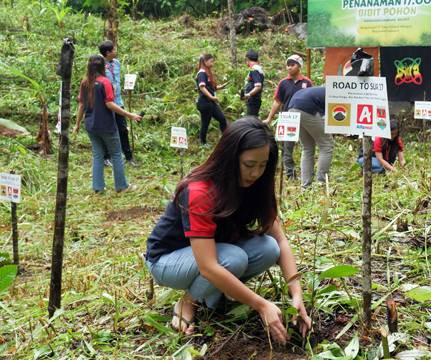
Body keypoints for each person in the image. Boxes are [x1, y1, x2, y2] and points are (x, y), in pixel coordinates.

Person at [145, 118, 311, 341]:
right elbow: (208, 266)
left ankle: (216, 295)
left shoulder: (255, 186)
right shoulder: (201, 191)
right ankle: (188, 302)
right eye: (249, 165)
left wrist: (297, 293)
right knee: (233, 259)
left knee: (268, 248)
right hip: (168, 260)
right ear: (230, 158)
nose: (256, 173)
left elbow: (280, 240)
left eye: (263, 166)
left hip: (214, 252)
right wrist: (261, 305)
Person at [73, 55, 141, 193]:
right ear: (102, 67)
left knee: (98, 155)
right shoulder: (105, 82)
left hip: (91, 125)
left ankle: (98, 187)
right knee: (116, 153)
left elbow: (81, 105)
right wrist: (129, 114)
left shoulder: (85, 82)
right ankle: (121, 186)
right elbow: (109, 103)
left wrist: (77, 124)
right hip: (106, 125)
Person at [264, 54, 313, 179]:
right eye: (288, 65)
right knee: (287, 149)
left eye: (293, 65)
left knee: (306, 147)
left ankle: (306, 174)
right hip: (288, 120)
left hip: (304, 119)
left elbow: (312, 100)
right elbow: (277, 101)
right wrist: (269, 118)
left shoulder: (307, 83)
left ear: (299, 66)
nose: (289, 68)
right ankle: (290, 174)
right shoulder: (283, 83)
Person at [285, 86, 333, 187]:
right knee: (326, 146)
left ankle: (305, 185)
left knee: (307, 148)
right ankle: (321, 183)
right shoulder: (335, 94)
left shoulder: (319, 91)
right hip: (307, 108)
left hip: (292, 109)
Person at [98, 40, 136, 166]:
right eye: (114, 49)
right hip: (106, 103)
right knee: (107, 130)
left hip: (118, 101)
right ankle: (105, 157)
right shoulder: (99, 66)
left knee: (123, 129)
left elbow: (117, 80)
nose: (116, 51)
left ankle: (129, 157)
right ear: (108, 52)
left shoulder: (117, 63)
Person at [196, 54, 228, 146]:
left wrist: (220, 87)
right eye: (211, 61)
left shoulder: (207, 72)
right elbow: (202, 87)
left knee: (222, 119)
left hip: (211, 103)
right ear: (205, 62)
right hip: (204, 103)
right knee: (205, 123)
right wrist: (211, 97)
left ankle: (226, 138)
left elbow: (210, 87)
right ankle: (202, 142)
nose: (212, 63)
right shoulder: (202, 73)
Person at [241, 50, 264, 117]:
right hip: (254, 99)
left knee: (251, 120)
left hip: (253, 100)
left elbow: (258, 86)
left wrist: (248, 94)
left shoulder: (254, 69)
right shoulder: (258, 69)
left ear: (247, 59)